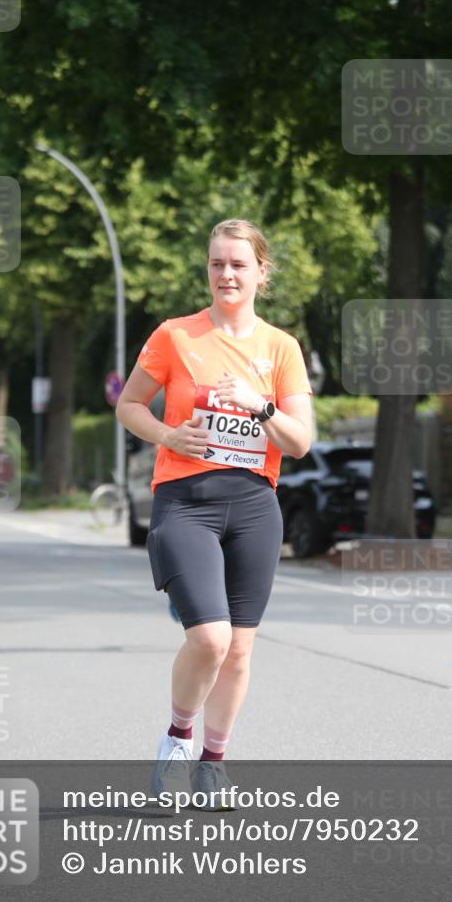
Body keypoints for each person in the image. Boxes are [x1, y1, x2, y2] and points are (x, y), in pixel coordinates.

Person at [116, 218, 313, 809]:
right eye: (216, 263)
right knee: (210, 638)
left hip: (254, 506)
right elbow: (129, 404)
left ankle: (213, 763)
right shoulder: (175, 335)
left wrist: (259, 406)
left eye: (238, 264)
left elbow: (300, 441)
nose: (226, 274)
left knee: (240, 649)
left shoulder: (281, 348)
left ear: (260, 272)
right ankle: (178, 739)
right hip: (185, 502)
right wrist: (169, 435)